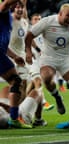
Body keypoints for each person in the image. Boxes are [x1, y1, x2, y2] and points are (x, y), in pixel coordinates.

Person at [25, 3, 69, 119]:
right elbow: (29, 36)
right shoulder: (47, 22)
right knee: (46, 78)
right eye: (68, 16)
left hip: (65, 59)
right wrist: (29, 52)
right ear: (60, 14)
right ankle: (57, 97)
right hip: (48, 58)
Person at [0, 0, 32, 128]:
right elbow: (6, 3)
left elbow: (4, 44)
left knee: (16, 81)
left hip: (1, 54)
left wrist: (14, 56)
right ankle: (13, 119)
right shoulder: (3, 10)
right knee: (16, 81)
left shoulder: (7, 17)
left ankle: (13, 119)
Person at [27, 13, 54, 112]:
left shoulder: (44, 31)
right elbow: (30, 41)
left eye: (39, 19)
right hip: (31, 61)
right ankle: (44, 102)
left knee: (31, 87)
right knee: (38, 81)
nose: (38, 21)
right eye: (35, 19)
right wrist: (38, 50)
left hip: (41, 62)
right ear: (31, 21)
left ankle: (23, 107)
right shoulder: (29, 29)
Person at [8, 0, 29, 102]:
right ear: (13, 8)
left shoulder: (24, 22)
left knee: (24, 84)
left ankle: (19, 112)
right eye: (17, 7)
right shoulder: (8, 19)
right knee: (15, 84)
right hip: (9, 57)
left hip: (21, 57)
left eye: (21, 8)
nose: (20, 9)